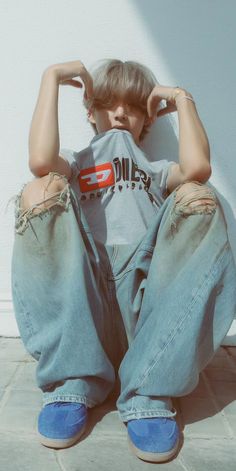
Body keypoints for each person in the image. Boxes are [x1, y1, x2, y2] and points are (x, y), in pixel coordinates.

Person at [10, 59, 236, 463]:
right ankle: (72, 381)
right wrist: (52, 77)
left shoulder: (156, 168)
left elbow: (198, 168)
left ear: (147, 119)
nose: (119, 113)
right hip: (85, 301)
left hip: (144, 302)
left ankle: (151, 387)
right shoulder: (77, 162)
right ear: (91, 111)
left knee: (201, 198)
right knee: (39, 191)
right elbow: (41, 161)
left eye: (132, 106)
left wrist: (182, 100)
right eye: (108, 104)